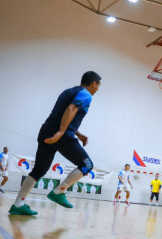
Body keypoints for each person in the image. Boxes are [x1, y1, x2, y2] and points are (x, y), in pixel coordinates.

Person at [9, 71, 101, 216]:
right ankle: (59, 191)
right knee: (86, 165)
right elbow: (71, 109)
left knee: (38, 171)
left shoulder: (67, 91)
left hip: (46, 131)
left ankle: (18, 205)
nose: (98, 89)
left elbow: (62, 114)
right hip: (61, 136)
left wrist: (78, 134)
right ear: (94, 83)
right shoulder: (86, 94)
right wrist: (61, 131)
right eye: (98, 85)